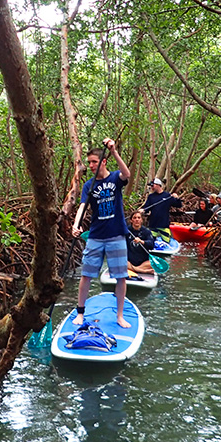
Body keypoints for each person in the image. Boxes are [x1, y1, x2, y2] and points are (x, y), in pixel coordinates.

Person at [72, 138, 131, 328]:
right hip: (96, 236)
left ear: (103, 162)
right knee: (86, 275)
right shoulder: (88, 185)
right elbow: (82, 206)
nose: (90, 165)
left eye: (94, 162)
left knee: (121, 277)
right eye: (88, 162)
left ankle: (119, 315)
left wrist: (114, 151)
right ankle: (80, 312)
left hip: (116, 235)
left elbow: (126, 173)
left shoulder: (115, 178)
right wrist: (76, 224)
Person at [126, 209, 155, 275]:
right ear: (131, 220)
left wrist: (142, 241)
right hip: (129, 261)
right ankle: (142, 271)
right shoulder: (126, 231)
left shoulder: (147, 232)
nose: (137, 219)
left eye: (139, 218)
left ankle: (134, 269)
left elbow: (152, 245)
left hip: (143, 262)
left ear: (141, 220)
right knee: (119, 261)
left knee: (152, 264)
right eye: (134, 218)